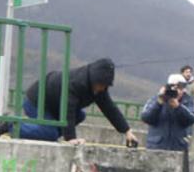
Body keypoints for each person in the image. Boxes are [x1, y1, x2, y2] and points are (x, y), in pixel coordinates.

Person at [8, 57, 138, 146]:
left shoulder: (99, 89)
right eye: (102, 85)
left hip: (55, 106)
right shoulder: (77, 83)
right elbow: (68, 110)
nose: (103, 89)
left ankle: (47, 135)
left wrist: (126, 131)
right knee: (50, 133)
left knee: (80, 115)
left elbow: (110, 108)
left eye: (106, 86)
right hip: (36, 102)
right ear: (94, 80)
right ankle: (10, 125)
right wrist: (71, 139)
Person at [141, 74, 194, 151]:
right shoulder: (156, 99)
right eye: (175, 88)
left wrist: (178, 107)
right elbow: (146, 117)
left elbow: (192, 119)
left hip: (178, 147)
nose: (179, 91)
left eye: (181, 88)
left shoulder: (187, 101)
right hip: (156, 147)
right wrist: (159, 103)